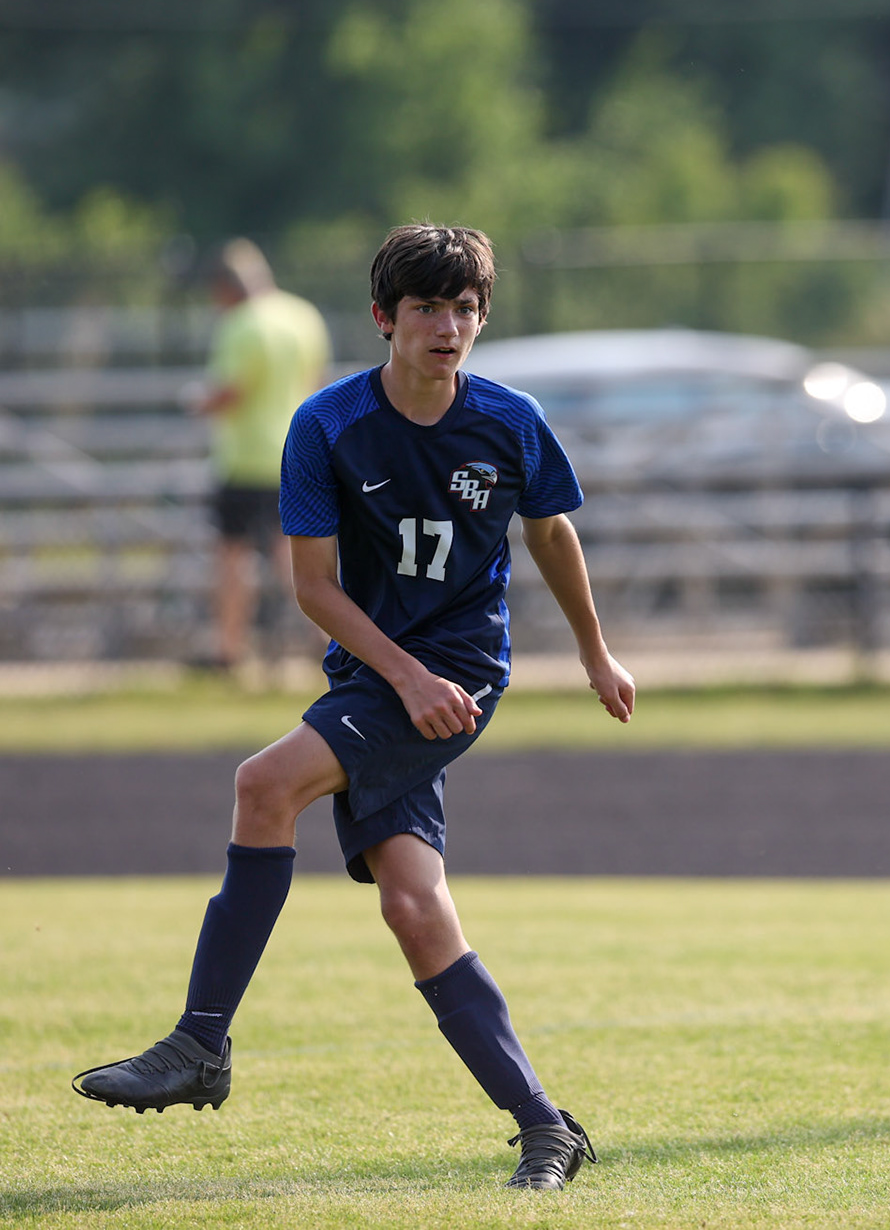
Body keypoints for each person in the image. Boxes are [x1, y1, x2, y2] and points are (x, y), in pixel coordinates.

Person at [74, 225, 636, 1193]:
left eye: (464, 308)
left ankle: (200, 1042)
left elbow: (550, 531)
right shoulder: (327, 425)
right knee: (415, 907)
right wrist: (397, 675)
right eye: (426, 307)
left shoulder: (510, 420)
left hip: (460, 670)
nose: (448, 325)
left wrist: (593, 648)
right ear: (384, 318)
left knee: (264, 782)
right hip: (377, 675)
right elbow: (314, 586)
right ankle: (547, 1126)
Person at [196, 238, 332, 671]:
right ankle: (326, 639)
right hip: (298, 452)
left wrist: (198, 403)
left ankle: (230, 649)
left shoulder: (241, 324)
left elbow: (231, 391)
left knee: (233, 557)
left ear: (225, 288)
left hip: (247, 458)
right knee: (295, 555)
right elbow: (319, 381)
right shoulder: (303, 315)